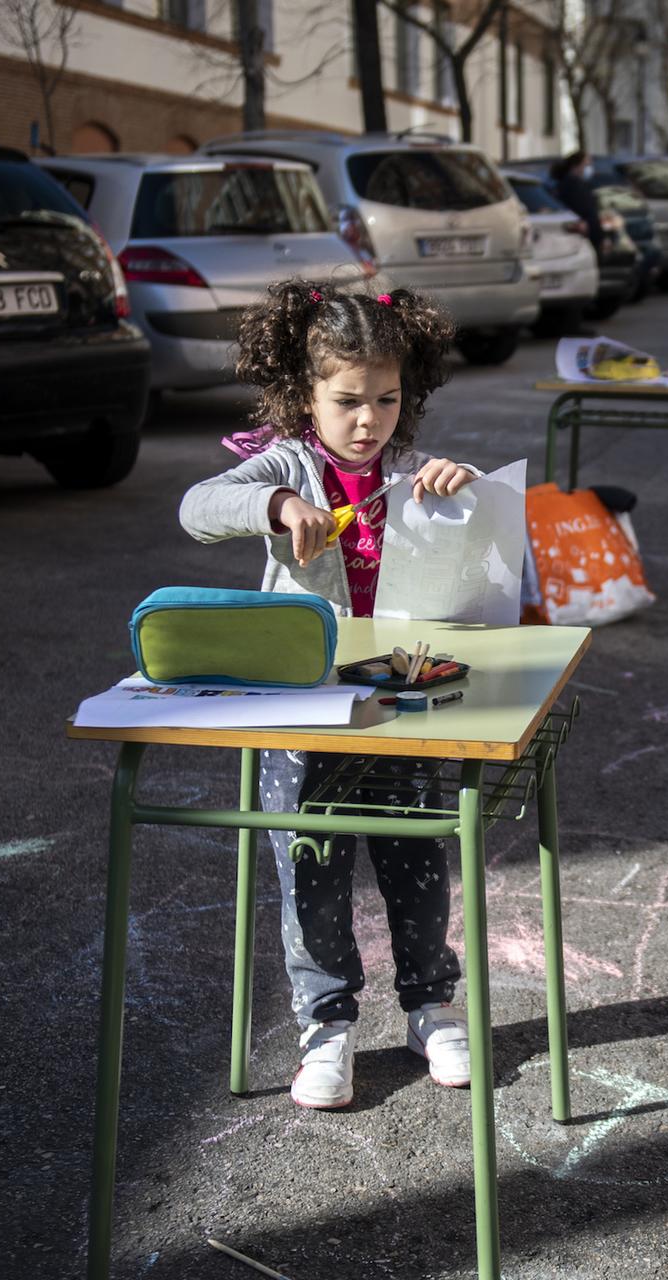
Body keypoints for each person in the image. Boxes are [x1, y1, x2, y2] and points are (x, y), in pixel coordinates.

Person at [178, 280, 481, 1111]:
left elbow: (482, 518)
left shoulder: (411, 470)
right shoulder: (287, 463)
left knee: (415, 851)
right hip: (304, 701)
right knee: (309, 860)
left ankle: (430, 1005)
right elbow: (199, 506)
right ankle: (327, 1023)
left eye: (386, 400)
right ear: (303, 396)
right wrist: (275, 503)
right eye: (347, 401)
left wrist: (463, 485)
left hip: (397, 692)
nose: (368, 420)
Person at [547, 149, 606, 255]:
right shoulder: (572, 185)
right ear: (576, 165)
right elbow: (586, 210)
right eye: (586, 164)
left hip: (586, 234)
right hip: (582, 236)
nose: (589, 167)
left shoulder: (576, 183)